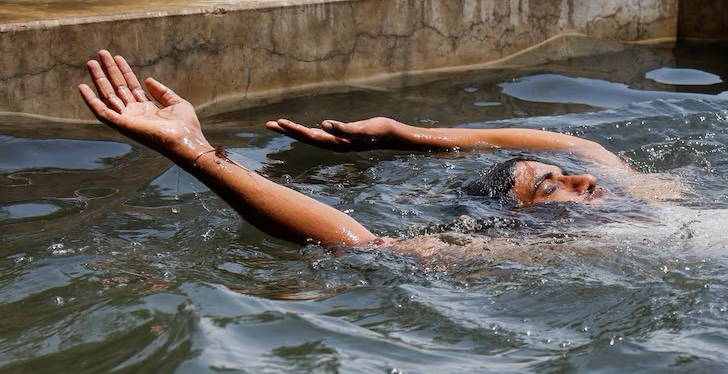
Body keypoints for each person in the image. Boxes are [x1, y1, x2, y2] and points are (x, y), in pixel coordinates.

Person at [77, 50, 665, 254]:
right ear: (519, 225)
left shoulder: (647, 196)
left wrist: (412, 137)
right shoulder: (541, 256)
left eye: (567, 179)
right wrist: (196, 154)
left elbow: (579, 145)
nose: (581, 181)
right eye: (548, 187)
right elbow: (368, 245)